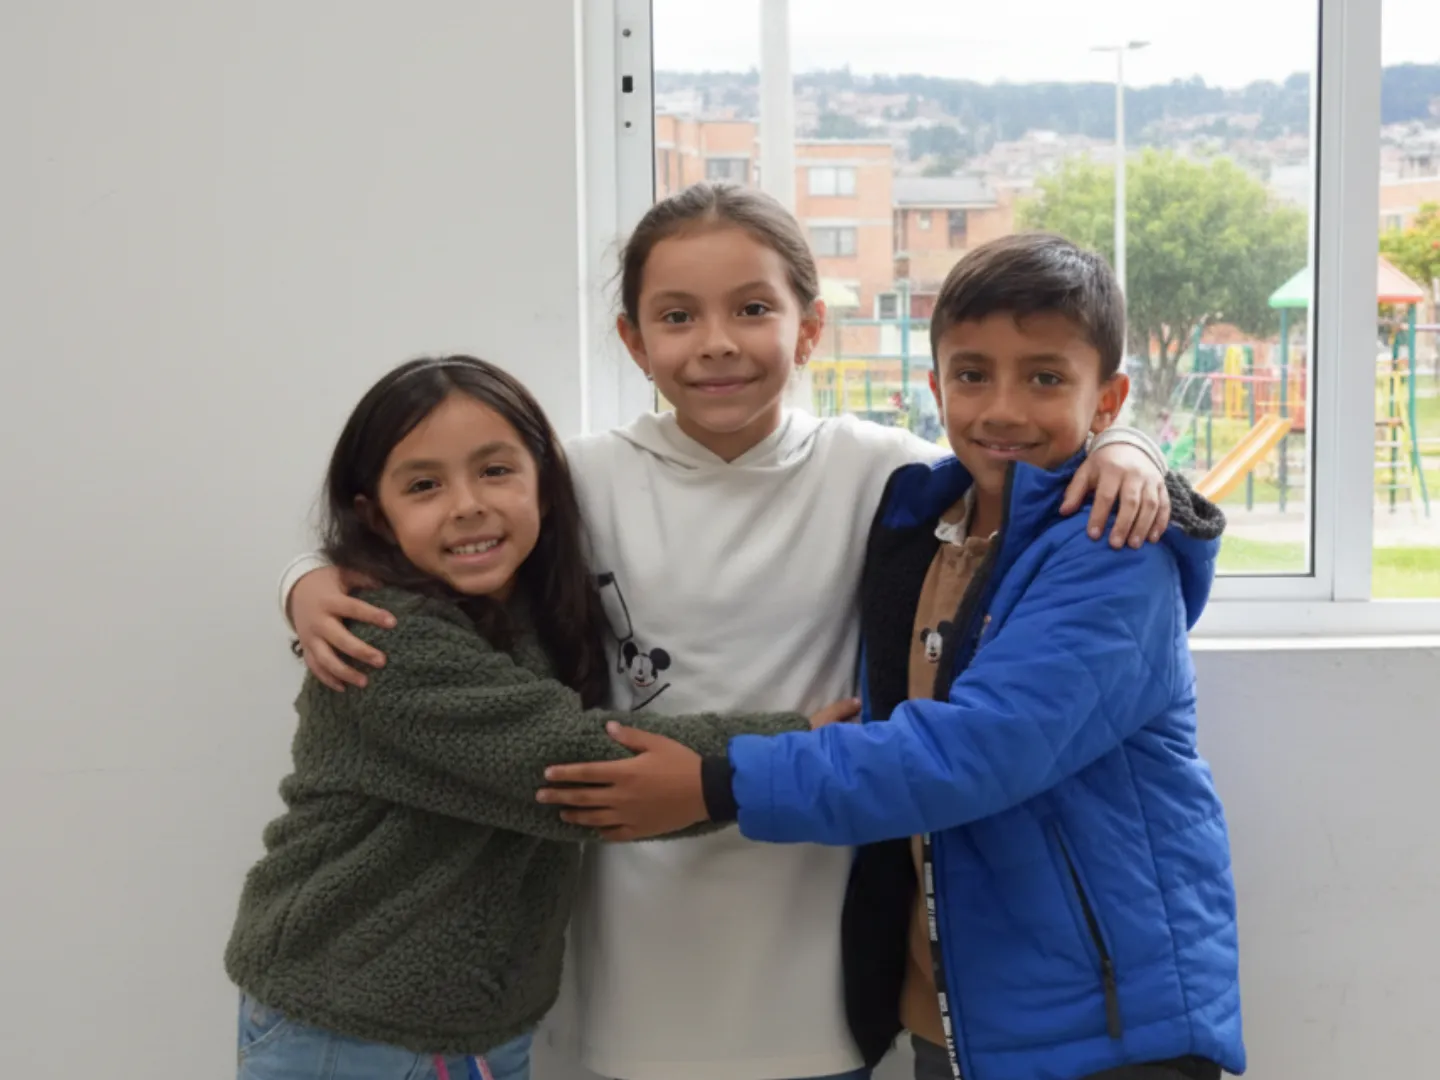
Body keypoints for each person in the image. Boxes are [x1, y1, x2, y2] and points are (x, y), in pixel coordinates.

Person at [282, 184, 1178, 1080]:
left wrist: (1129, 447)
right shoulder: (576, 481)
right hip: (627, 936)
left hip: (814, 931)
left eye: (752, 309)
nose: (716, 342)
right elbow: (438, 544)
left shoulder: (884, 473)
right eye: (678, 316)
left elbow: (1020, 465)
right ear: (634, 340)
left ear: (810, 328)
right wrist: (307, 581)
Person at [538, 234, 1243, 1080]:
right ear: (936, 386)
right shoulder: (920, 513)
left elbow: (975, 751)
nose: (1003, 409)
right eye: (972, 375)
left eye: (1045, 379)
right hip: (946, 1008)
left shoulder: (1111, 547)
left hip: (1101, 1019)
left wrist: (715, 781)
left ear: (1108, 398)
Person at [225, 355, 858, 1080]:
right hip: (347, 1022)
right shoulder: (384, 639)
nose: (467, 505)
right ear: (375, 515)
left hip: (466, 1024)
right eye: (425, 485)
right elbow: (575, 764)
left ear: (547, 488)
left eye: (495, 471)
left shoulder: (528, 606)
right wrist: (788, 750)